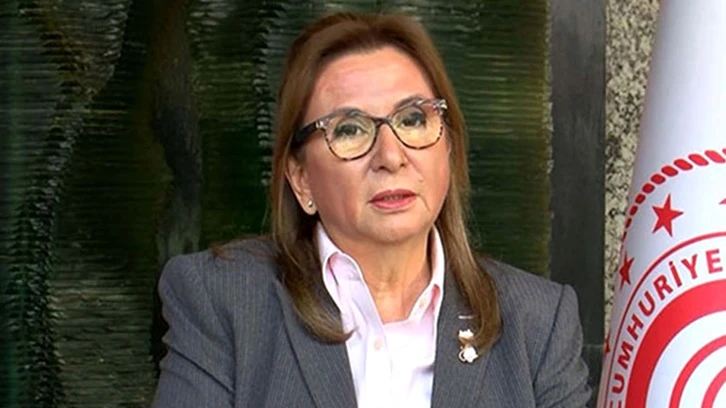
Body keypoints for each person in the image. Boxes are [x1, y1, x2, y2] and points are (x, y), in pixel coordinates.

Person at [152, 11, 591, 408]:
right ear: (301, 178)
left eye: (413, 120)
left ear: (449, 148)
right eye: (349, 129)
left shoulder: (538, 321)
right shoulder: (222, 301)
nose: (391, 156)